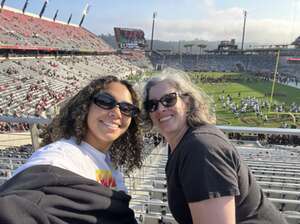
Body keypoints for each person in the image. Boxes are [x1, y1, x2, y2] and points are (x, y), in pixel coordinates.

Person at [142, 70, 287, 224]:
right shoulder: (181, 143)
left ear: (187, 102)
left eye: (169, 99)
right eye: (152, 104)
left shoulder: (201, 149)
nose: (160, 109)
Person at [0, 75, 144, 224]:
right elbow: (16, 207)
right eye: (106, 102)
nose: (117, 113)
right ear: (86, 106)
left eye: (127, 109)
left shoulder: (109, 162)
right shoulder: (57, 157)